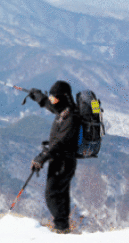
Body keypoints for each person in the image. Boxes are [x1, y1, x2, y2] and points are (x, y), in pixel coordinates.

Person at [28, 81, 80, 234]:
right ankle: (63, 229)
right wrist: (38, 96)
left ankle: (61, 228)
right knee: (61, 194)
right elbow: (50, 106)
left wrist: (42, 157)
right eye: (51, 96)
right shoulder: (64, 110)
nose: (52, 100)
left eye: (54, 97)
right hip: (59, 160)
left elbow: (60, 143)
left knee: (52, 194)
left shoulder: (71, 117)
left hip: (64, 162)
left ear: (63, 97)